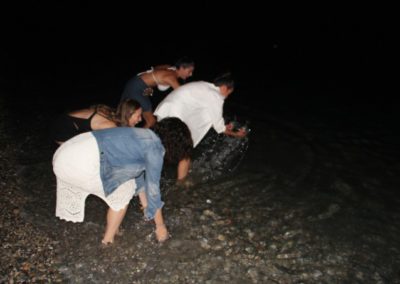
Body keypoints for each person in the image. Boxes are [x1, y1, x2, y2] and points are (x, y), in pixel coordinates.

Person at [52, 117, 193, 244]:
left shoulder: (142, 135)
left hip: (64, 153)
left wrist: (146, 207)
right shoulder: (155, 149)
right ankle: (107, 241)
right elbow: (153, 190)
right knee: (124, 192)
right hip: (77, 163)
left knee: (126, 183)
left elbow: (137, 176)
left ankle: (115, 226)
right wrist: (160, 226)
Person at [154, 72, 247, 186]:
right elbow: (219, 128)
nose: (227, 96)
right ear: (224, 88)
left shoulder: (204, 86)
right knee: (185, 152)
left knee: (162, 146)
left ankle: (148, 167)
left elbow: (208, 114)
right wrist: (237, 134)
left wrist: (222, 126)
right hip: (173, 115)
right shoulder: (216, 95)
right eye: (229, 92)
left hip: (166, 110)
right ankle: (181, 184)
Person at [120, 57, 195, 128]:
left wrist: (150, 86)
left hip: (134, 82)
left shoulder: (169, 67)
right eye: (189, 71)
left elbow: (154, 70)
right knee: (151, 122)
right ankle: (135, 138)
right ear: (182, 68)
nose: (191, 74)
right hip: (137, 88)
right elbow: (183, 95)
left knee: (124, 114)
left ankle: (120, 131)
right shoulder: (171, 77)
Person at [51, 99, 142, 145]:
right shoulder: (110, 126)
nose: (140, 119)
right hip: (63, 128)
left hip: (65, 118)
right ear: (128, 114)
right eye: (138, 116)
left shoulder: (114, 114)